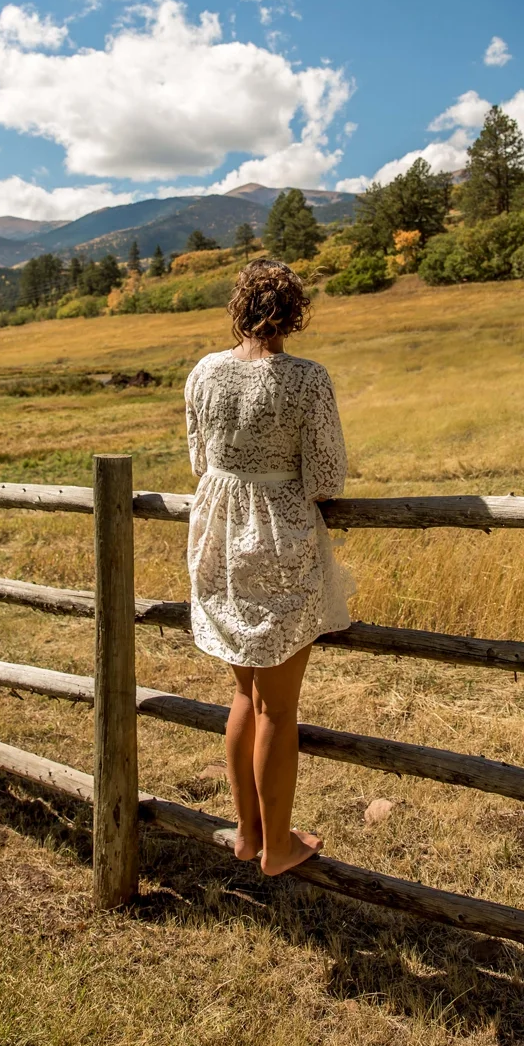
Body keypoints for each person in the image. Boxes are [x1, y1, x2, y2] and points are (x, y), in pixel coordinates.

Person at [183, 258, 354, 877]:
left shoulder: (204, 373)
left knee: (243, 692)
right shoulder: (306, 379)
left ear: (239, 309)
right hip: (279, 543)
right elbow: (326, 477)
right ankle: (277, 847)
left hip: (219, 539)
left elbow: (199, 461)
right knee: (277, 708)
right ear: (295, 313)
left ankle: (247, 833)